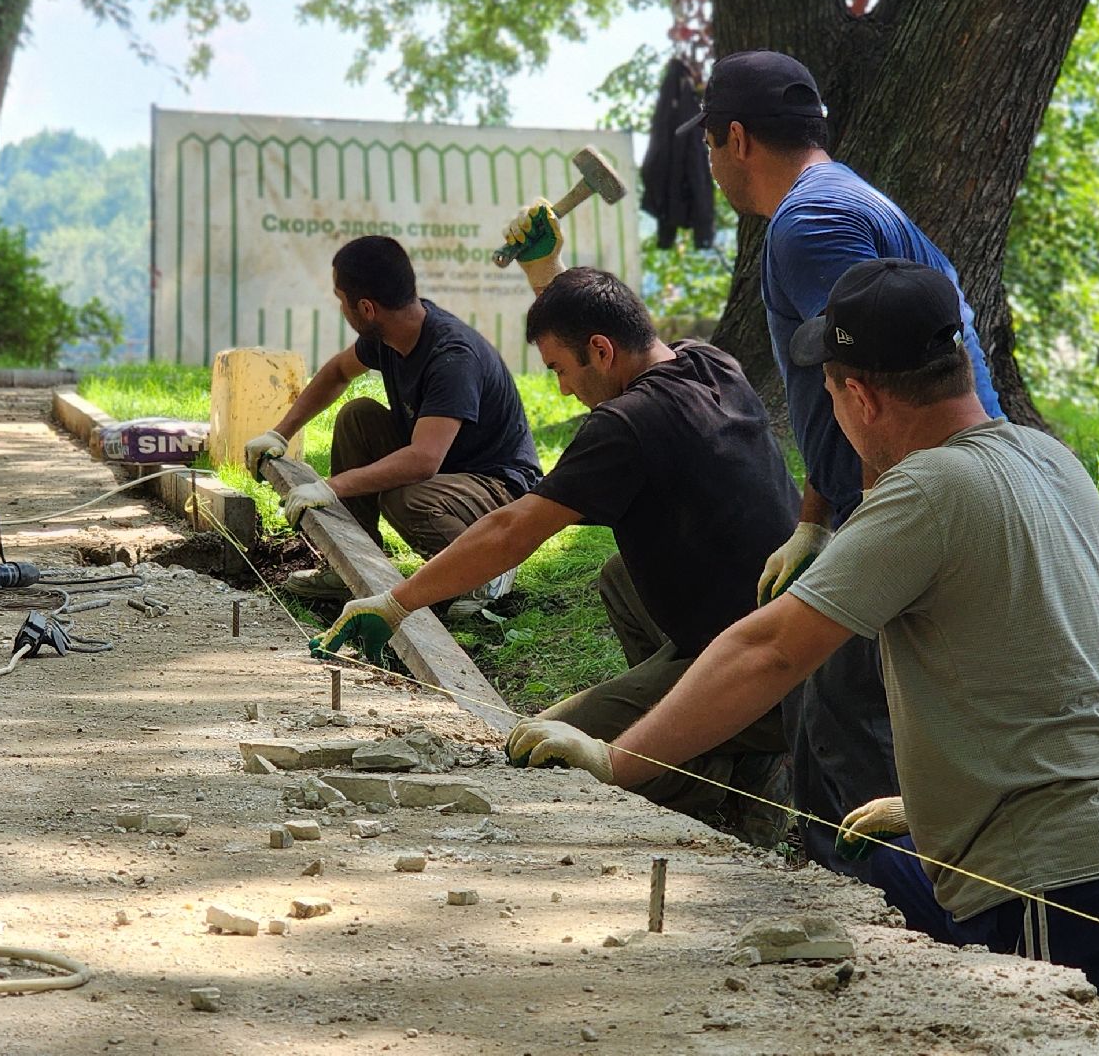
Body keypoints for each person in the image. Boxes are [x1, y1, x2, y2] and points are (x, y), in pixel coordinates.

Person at [506, 260, 1099, 1037]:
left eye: (830, 394)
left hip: (1056, 874)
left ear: (859, 396)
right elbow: (1039, 653)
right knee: (877, 875)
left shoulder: (928, 491)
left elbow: (772, 649)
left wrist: (615, 761)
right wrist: (941, 803)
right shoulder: (1048, 460)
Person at [310, 209, 801, 845]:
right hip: (781, 622)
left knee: (545, 755)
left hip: (766, 669)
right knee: (622, 576)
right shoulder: (711, 365)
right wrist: (548, 273)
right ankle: (719, 734)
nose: (565, 391)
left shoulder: (623, 426)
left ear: (600, 352)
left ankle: (727, 763)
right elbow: (597, 320)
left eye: (560, 372)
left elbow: (515, 528)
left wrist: (397, 602)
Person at [689, 48, 1005, 875]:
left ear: (735, 138)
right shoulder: (838, 201)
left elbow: (880, 382)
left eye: (709, 146)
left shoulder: (810, 224)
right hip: (913, 490)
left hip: (919, 498)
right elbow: (837, 386)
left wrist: (875, 534)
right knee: (833, 711)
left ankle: (879, 936)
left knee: (846, 723)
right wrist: (814, 516)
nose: (711, 164)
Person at [246, 236, 540, 609]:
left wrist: (331, 487)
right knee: (358, 417)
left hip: (497, 485)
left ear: (366, 308)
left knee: (406, 498)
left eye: (341, 300)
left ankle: (488, 571)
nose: (341, 309)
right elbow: (338, 371)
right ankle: (349, 565)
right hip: (449, 467)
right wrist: (279, 433)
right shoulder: (394, 333)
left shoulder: (452, 358)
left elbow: (422, 461)